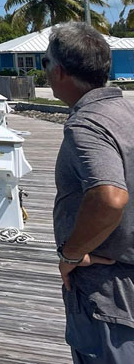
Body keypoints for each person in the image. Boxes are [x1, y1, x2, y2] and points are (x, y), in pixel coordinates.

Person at [50, 22, 134, 362]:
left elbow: (109, 197)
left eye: (44, 64)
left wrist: (71, 255)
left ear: (59, 72)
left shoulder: (86, 124)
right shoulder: (127, 112)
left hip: (108, 292)